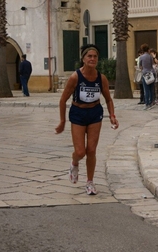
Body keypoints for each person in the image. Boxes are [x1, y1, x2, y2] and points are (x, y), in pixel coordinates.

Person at [55, 44, 119, 195]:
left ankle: (90, 182)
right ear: (83, 59)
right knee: (80, 151)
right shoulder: (75, 77)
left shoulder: (101, 78)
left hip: (95, 113)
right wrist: (62, 121)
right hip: (78, 113)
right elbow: (63, 100)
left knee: (91, 150)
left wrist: (112, 116)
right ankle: (74, 162)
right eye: (89, 56)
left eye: (95, 56)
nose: (92, 59)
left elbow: (109, 99)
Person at [139, 43, 156, 110]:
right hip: (152, 72)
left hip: (145, 73)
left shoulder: (141, 57)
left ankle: (147, 103)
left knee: (146, 89)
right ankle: (152, 101)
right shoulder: (150, 56)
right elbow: (152, 64)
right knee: (151, 88)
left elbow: (140, 66)